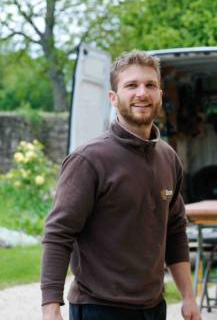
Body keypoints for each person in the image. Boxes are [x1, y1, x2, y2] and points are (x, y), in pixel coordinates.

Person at [40, 51, 201, 320]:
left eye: (150, 85)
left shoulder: (168, 157)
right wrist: (50, 308)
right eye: (131, 85)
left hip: (153, 308)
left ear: (160, 95)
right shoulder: (89, 160)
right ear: (113, 98)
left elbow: (175, 230)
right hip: (99, 308)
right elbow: (59, 233)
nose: (142, 93)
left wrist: (188, 297)